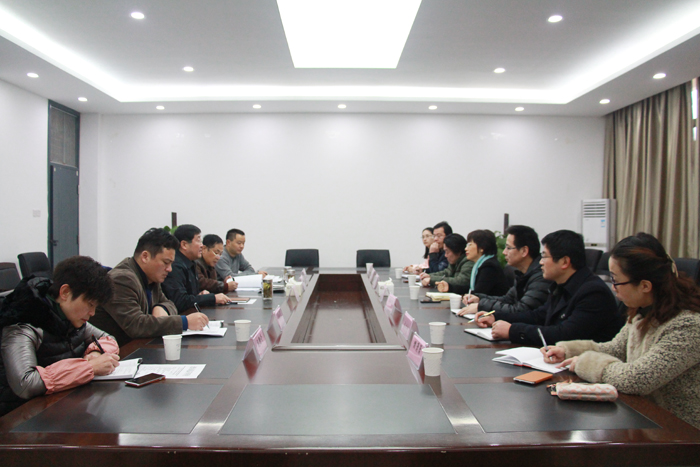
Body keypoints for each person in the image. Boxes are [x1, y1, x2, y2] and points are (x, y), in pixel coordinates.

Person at [542, 233, 700, 429]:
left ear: (645, 286)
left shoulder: (688, 326)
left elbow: (638, 379)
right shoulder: (643, 312)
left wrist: (585, 363)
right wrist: (569, 351)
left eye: (616, 280)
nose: (613, 288)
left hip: (680, 430)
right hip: (645, 417)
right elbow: (616, 349)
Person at [0, 256, 120, 416]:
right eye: (90, 304)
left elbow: (107, 338)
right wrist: (89, 367)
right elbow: (25, 384)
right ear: (65, 292)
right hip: (20, 418)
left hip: (60, 407)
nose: (92, 313)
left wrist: (95, 353)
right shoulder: (24, 324)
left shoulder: (70, 316)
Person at [474, 230, 621, 346]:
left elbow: (565, 335)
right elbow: (539, 315)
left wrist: (512, 331)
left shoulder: (593, 292)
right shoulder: (561, 285)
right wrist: (496, 317)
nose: (541, 262)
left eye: (544, 257)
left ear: (564, 262)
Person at [91, 228, 209, 346]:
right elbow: (136, 325)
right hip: (120, 351)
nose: (169, 269)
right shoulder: (121, 279)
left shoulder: (151, 277)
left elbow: (170, 303)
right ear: (145, 256)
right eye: (166, 262)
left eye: (171, 264)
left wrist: (161, 307)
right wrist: (185, 322)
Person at [458, 225, 551, 316]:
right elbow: (508, 300)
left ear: (524, 251)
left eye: (508, 248)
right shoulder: (523, 273)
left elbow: (521, 310)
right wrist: (479, 299)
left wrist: (482, 306)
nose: (504, 252)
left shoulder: (541, 276)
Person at [162, 224, 229, 312]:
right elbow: (180, 301)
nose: (202, 245)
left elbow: (190, 295)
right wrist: (212, 298)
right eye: (198, 241)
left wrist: (200, 295)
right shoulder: (175, 266)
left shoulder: (191, 263)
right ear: (184, 245)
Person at [449, 229, 509, 296]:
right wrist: (449, 287)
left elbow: (478, 294)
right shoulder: (482, 264)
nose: (466, 249)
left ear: (482, 248)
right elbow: (472, 288)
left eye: (469, 245)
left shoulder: (489, 267)